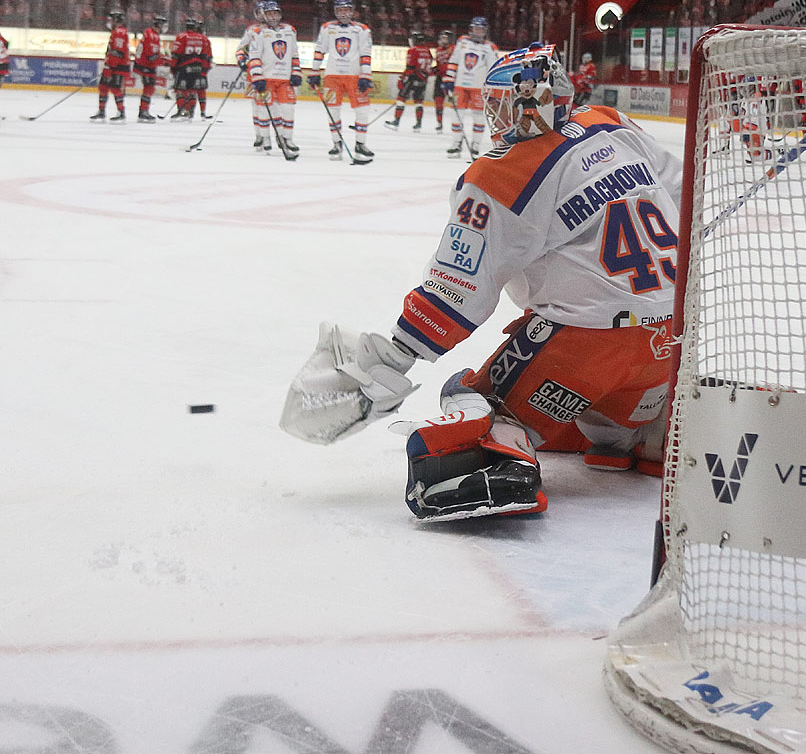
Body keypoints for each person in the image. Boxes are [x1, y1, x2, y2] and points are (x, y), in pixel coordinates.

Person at [280, 43, 684, 521]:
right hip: (669, 347)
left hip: (587, 348)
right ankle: (646, 435)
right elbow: (682, 190)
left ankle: (499, 460)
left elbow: (460, 283)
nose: (494, 115)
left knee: (472, 398)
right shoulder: (610, 122)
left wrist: (398, 356)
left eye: (500, 103)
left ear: (530, 101)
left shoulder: (504, 171)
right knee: (603, 405)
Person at [310, 0, 375, 161]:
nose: (344, 13)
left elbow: (366, 54)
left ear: (352, 10)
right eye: (340, 10)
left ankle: (360, 144)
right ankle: (336, 144)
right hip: (332, 77)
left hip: (354, 76)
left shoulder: (362, 29)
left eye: (346, 9)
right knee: (333, 111)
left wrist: (365, 75)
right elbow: (320, 50)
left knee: (362, 111)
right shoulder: (327, 27)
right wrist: (315, 72)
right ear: (335, 11)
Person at [236, 0, 302, 159]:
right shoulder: (253, 31)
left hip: (281, 77)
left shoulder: (288, 31)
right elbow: (242, 50)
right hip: (259, 74)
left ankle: (283, 138)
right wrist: (244, 62)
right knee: (258, 107)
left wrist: (296, 72)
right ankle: (262, 136)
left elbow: (293, 53)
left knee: (282, 109)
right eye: (260, 12)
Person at [442, 16, 500, 159]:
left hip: (478, 88)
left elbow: (494, 68)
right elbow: (453, 61)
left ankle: (475, 146)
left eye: (481, 29)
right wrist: (449, 78)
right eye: (475, 29)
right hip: (460, 86)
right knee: (456, 115)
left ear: (485, 31)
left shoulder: (490, 47)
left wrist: (492, 87)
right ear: (471, 29)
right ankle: (456, 144)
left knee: (479, 117)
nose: (478, 32)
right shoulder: (462, 41)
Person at [170, 15, 213, 120]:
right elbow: (207, 56)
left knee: (180, 89)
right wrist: (204, 69)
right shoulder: (203, 38)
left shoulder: (182, 36)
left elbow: (176, 53)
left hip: (184, 66)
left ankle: (182, 111)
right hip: (198, 68)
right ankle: (191, 111)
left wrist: (173, 67)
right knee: (193, 90)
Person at [390, 32, 433, 131]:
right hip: (423, 80)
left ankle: (396, 122)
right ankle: (418, 124)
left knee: (401, 99)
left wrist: (403, 79)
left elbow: (410, 67)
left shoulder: (413, 50)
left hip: (412, 78)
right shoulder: (428, 51)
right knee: (418, 102)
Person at [93, 9, 130, 121]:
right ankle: (101, 111)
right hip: (110, 66)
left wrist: (110, 66)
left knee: (116, 88)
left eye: (111, 19)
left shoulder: (120, 33)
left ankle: (121, 112)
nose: (109, 22)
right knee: (103, 87)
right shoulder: (116, 32)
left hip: (117, 67)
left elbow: (117, 52)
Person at [133, 14, 168, 122]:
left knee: (149, 89)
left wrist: (161, 58)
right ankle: (143, 112)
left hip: (147, 65)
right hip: (146, 65)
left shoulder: (153, 34)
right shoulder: (151, 34)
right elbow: (151, 55)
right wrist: (162, 60)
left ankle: (144, 111)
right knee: (148, 88)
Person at [430, 29, 456, 132]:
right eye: (441, 38)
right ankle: (439, 123)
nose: (443, 40)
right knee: (438, 100)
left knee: (454, 102)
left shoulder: (454, 49)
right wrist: (433, 70)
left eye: (445, 38)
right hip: (440, 79)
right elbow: (439, 65)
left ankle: (457, 123)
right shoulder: (438, 50)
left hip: (451, 78)